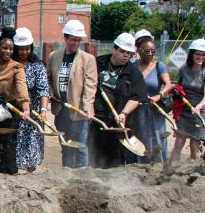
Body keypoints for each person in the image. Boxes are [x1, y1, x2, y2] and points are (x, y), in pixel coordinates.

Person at [90, 33, 146, 169]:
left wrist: (124, 113)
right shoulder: (98, 63)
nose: (126, 55)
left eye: (129, 53)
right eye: (122, 51)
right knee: (94, 156)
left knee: (115, 160)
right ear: (114, 49)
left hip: (116, 123)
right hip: (96, 120)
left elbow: (136, 97)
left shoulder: (133, 72)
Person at [47, 19, 97, 168]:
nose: (76, 43)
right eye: (73, 40)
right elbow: (48, 78)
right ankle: (67, 173)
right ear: (65, 38)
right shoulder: (54, 56)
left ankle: (82, 175)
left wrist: (88, 105)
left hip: (79, 110)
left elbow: (90, 84)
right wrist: (50, 91)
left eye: (78, 40)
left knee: (80, 146)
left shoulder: (87, 59)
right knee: (66, 146)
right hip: (61, 110)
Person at [0, 27, 29, 174]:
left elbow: (22, 89)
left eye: (10, 49)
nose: (7, 51)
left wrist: (26, 108)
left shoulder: (17, 67)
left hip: (10, 109)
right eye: (4, 48)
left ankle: (10, 173)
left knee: (8, 143)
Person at [170, 38, 205, 162]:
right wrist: (176, 91)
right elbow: (178, 87)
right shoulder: (184, 69)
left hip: (200, 112)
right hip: (184, 111)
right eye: (197, 54)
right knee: (179, 142)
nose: (200, 57)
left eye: (203, 55)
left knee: (194, 145)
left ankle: (194, 172)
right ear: (191, 54)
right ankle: (171, 168)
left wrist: (198, 107)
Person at [14, 28, 50, 173]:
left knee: (31, 145)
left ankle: (30, 174)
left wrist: (43, 110)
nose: (24, 52)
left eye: (27, 49)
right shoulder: (10, 64)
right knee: (14, 144)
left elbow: (44, 90)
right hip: (14, 111)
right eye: (21, 49)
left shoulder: (37, 66)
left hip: (32, 113)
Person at [134, 29, 172, 163]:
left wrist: (159, 95)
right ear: (138, 49)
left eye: (153, 51)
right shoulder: (133, 67)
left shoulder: (159, 66)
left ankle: (159, 168)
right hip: (138, 111)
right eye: (146, 51)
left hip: (155, 110)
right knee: (141, 140)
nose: (150, 54)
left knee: (157, 139)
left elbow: (168, 84)